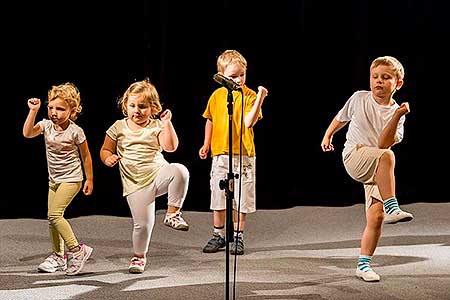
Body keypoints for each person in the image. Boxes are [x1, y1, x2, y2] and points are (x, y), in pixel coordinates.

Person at [320, 56, 414, 282]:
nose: (378, 81)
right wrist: (328, 134)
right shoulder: (359, 98)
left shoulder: (396, 113)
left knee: (375, 216)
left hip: (376, 163)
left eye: (385, 77)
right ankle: (393, 206)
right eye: (375, 77)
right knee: (388, 156)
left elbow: (383, 142)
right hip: (355, 155)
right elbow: (341, 117)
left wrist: (397, 115)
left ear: (398, 83)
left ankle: (363, 265)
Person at [100, 78, 190, 274]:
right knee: (142, 225)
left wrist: (167, 123)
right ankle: (139, 257)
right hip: (135, 183)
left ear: (153, 108)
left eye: (142, 106)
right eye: (132, 105)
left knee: (180, 170)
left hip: (158, 174)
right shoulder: (119, 126)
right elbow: (105, 149)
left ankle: (173, 213)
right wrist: (108, 158)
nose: (137, 110)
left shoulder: (156, 125)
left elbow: (170, 147)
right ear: (125, 105)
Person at [199, 49, 268, 255]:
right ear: (221, 77)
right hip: (220, 153)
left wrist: (260, 98)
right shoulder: (217, 96)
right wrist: (206, 144)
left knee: (241, 197)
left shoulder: (250, 96)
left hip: (243, 154)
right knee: (218, 195)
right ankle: (218, 234)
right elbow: (209, 119)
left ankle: (238, 236)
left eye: (242, 74)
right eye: (233, 76)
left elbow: (249, 122)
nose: (239, 79)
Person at [22, 82, 94, 276]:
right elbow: (27, 133)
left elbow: (86, 156)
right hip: (54, 179)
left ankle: (77, 250)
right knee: (51, 218)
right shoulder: (46, 125)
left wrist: (89, 179)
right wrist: (34, 111)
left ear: (72, 110)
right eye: (51, 107)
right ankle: (58, 256)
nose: (54, 112)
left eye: (60, 109)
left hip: (72, 178)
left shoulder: (76, 131)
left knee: (55, 214)